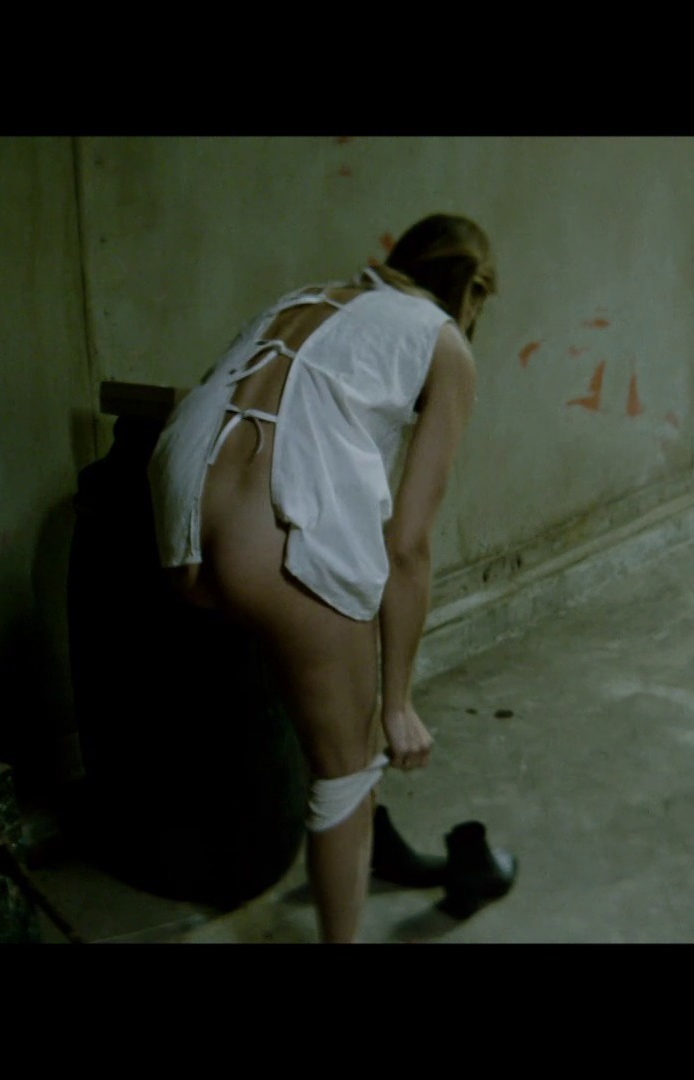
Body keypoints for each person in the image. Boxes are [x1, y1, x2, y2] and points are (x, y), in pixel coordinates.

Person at [148, 213, 513, 942]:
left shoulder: (308, 299)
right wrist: (398, 703)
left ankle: (372, 839)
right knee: (347, 767)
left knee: (324, 696)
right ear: (473, 291)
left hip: (180, 505)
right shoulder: (443, 341)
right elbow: (407, 546)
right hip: (269, 532)